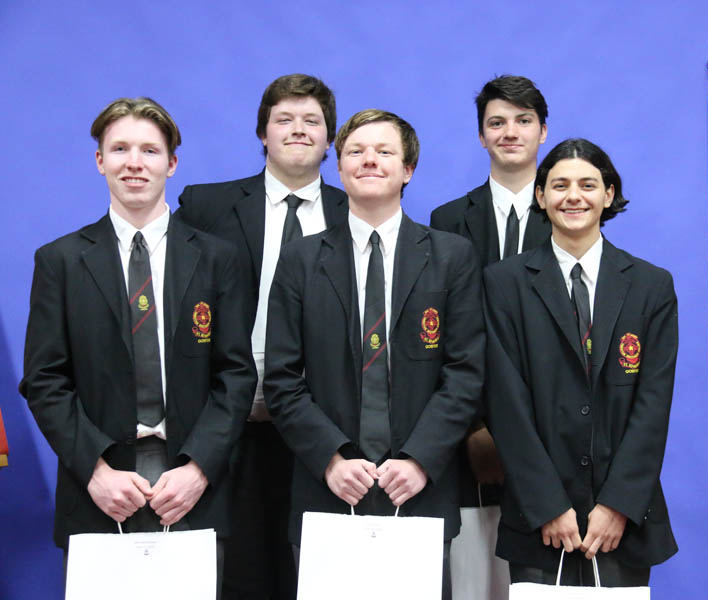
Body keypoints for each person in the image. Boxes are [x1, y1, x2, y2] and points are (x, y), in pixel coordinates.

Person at [19, 97, 257, 598]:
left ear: (172, 163)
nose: (134, 163)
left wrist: (199, 468)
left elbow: (235, 374)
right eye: (120, 149)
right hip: (99, 487)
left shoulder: (217, 259)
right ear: (99, 160)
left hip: (190, 485)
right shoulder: (60, 261)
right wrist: (95, 470)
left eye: (149, 150)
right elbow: (44, 380)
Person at [264, 109, 484, 600]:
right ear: (339, 167)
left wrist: (420, 459)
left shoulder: (451, 257)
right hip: (328, 486)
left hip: (420, 488)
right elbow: (281, 378)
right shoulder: (301, 259)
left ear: (408, 170)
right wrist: (331, 457)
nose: (369, 160)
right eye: (355, 151)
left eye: (384, 151)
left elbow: (466, 373)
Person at [176, 74, 347, 600]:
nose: (298, 130)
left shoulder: (356, 210)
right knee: (241, 579)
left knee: (318, 580)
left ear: (329, 138)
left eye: (312, 120)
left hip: (328, 434)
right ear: (262, 133)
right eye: (284, 119)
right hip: (233, 427)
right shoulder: (207, 207)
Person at [483, 138, 678, 586]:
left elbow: (653, 406)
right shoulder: (504, 284)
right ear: (540, 196)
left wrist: (618, 504)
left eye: (588, 185)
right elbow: (505, 403)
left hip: (624, 521)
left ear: (608, 195)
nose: (574, 196)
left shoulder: (651, 286)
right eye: (560, 185)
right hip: (537, 520)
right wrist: (547, 505)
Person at [429, 74, 551, 598]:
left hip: (553, 429)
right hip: (469, 430)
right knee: (474, 579)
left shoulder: (570, 211)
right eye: (496, 123)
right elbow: (445, 333)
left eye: (523, 120)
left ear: (543, 131)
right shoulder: (447, 220)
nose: (510, 132)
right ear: (481, 136)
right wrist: (476, 426)